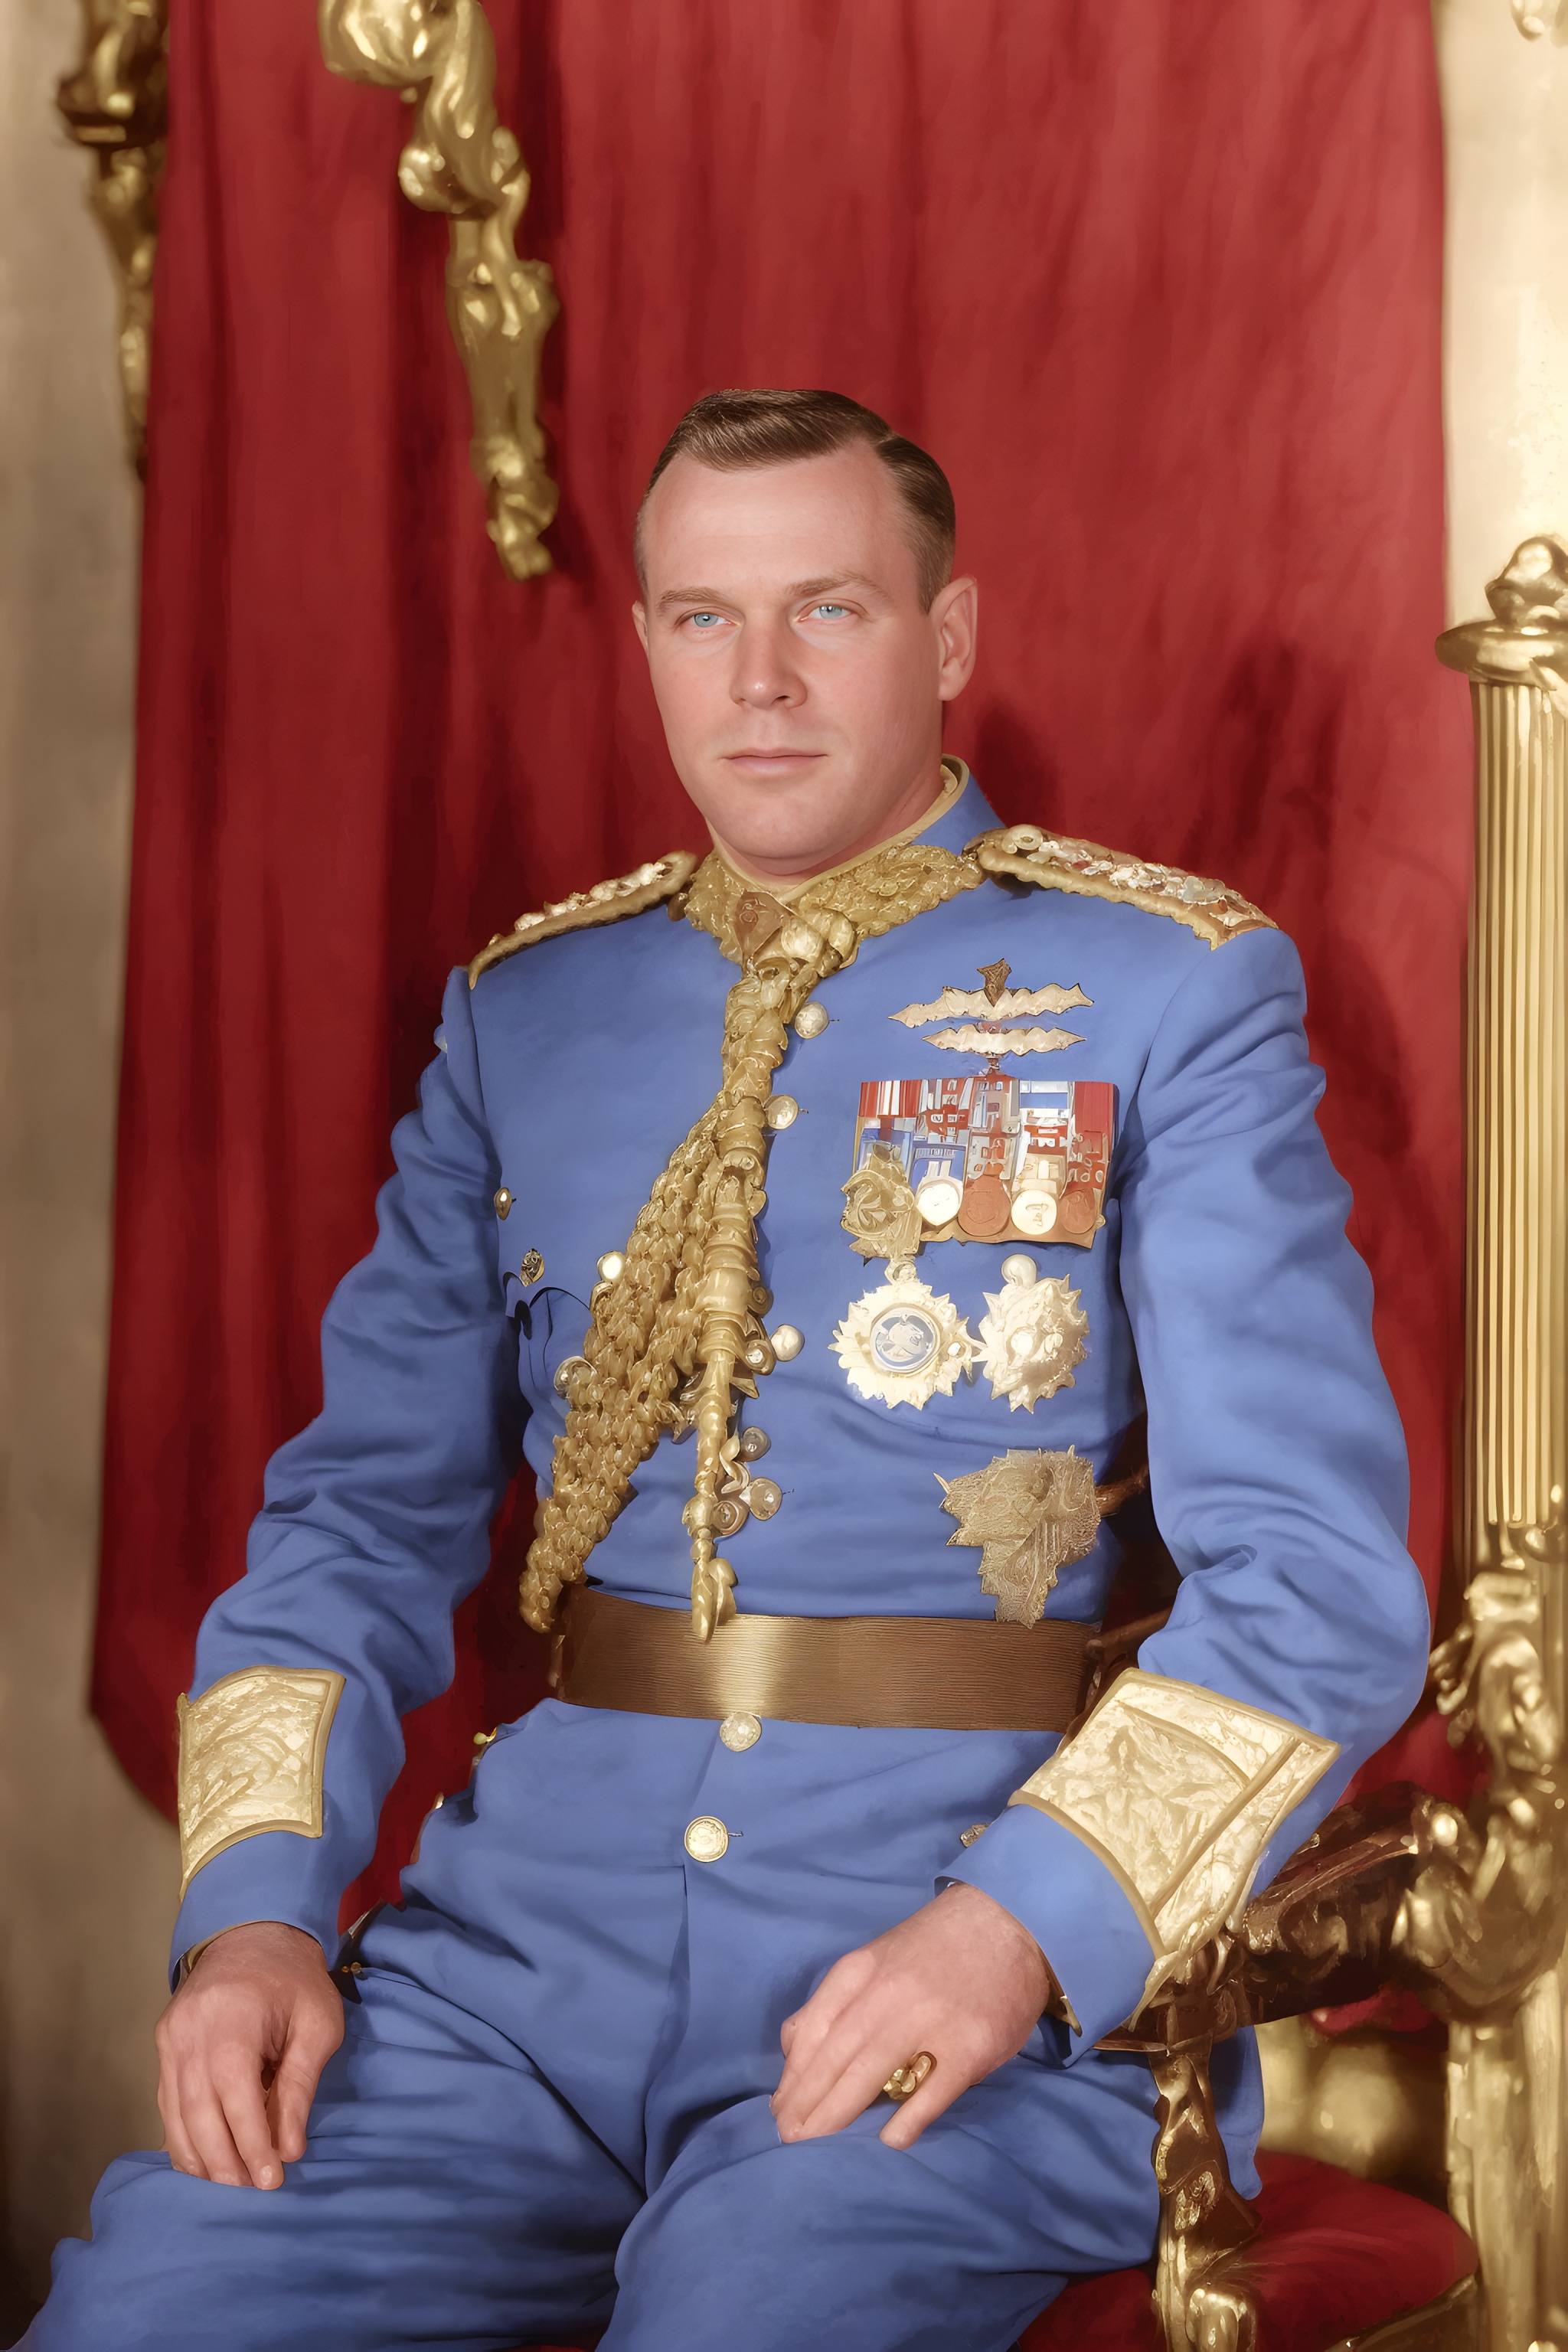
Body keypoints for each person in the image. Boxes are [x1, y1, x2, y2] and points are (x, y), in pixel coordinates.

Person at [28, 389, 1430, 2352]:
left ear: (946, 643)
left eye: (828, 612)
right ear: (648, 649)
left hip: (947, 1978)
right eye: (702, 619)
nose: (758, 682)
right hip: (517, 1979)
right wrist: (255, 1913)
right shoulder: (528, 1015)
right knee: (146, 2316)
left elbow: (1316, 1593)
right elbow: (347, 1524)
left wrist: (1015, 1930)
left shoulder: (1165, 990)